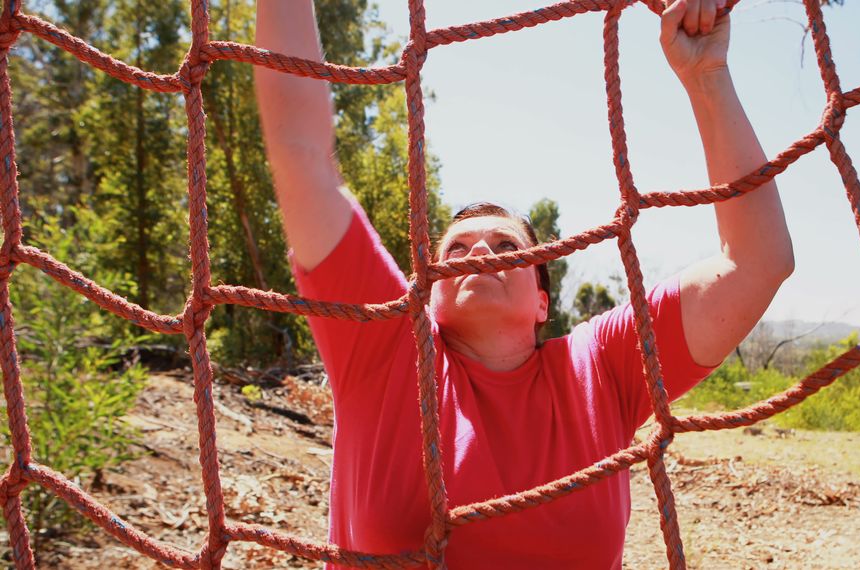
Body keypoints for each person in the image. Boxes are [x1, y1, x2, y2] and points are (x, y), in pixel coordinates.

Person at [254, 0, 794, 567]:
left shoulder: (600, 368)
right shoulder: (388, 353)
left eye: (507, 247)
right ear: (431, 293)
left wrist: (707, 76)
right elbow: (302, 157)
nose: (479, 250)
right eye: (455, 249)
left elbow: (757, 261)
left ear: (542, 302)